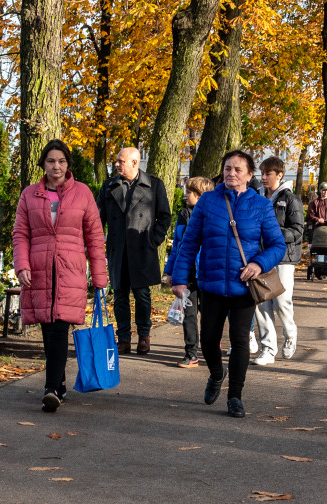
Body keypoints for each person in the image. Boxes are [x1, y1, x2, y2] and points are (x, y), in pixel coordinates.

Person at [171, 150, 286, 419]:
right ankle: (216, 373)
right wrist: (178, 279)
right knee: (209, 339)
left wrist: (258, 264)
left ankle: (235, 395)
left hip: (243, 287)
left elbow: (277, 245)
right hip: (210, 284)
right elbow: (189, 243)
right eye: (227, 168)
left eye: (237, 169)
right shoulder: (208, 202)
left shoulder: (260, 205)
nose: (231, 173)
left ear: (249, 175)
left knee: (239, 341)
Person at [13, 139, 107, 412]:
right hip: (39, 272)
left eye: (62, 161)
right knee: (47, 327)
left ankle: (50, 388)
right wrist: (21, 265)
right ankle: (60, 383)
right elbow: (21, 233)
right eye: (51, 161)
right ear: (43, 164)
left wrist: (99, 277)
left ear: (68, 165)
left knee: (59, 327)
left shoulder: (83, 193)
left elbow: (95, 236)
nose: (56, 166)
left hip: (70, 271)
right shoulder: (30, 194)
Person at [96, 147, 171, 355]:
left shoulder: (154, 185)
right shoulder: (109, 186)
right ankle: (124, 338)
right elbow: (96, 218)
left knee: (142, 295)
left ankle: (144, 336)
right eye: (117, 161)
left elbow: (164, 217)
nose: (117, 164)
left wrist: (153, 239)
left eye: (121, 161)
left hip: (142, 249)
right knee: (119, 295)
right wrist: (97, 244)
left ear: (135, 163)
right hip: (118, 249)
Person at [253, 156, 304, 365]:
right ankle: (268, 349)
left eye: (268, 174)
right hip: (261, 257)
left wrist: (273, 233)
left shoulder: (291, 199)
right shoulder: (257, 197)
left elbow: (298, 231)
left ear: (279, 175)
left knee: (282, 302)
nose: (263, 177)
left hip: (283, 258)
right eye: (262, 173)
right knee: (262, 302)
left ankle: (290, 334)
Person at [162, 176, 215, 368]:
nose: (185, 195)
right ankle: (191, 352)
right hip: (189, 275)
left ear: (201, 196)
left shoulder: (214, 215)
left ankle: (212, 348)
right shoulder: (184, 215)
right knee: (189, 315)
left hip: (209, 273)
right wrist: (170, 272)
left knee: (210, 315)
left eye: (189, 192)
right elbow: (177, 246)